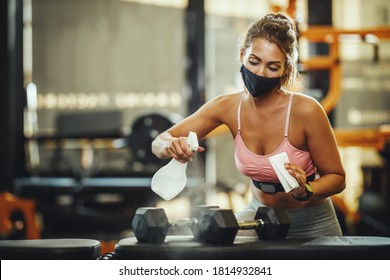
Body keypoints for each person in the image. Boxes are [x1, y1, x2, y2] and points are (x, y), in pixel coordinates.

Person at [152, 12, 346, 238]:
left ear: (286, 69)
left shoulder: (307, 110)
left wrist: (307, 190)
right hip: (259, 218)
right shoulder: (226, 107)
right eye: (254, 62)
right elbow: (159, 141)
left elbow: (337, 177)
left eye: (273, 67)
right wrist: (171, 146)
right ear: (243, 55)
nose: (260, 73)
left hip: (312, 222)